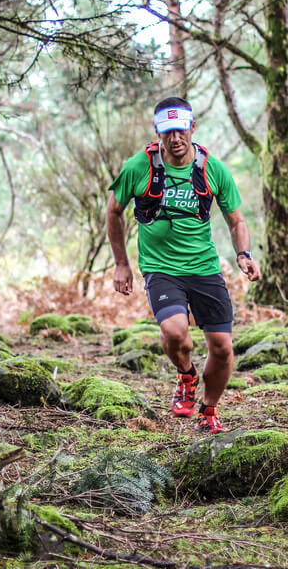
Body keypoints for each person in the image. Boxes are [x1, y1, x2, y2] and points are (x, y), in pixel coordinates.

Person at [106, 97, 261, 434]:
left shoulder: (212, 169)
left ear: (192, 127)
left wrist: (244, 254)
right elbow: (113, 211)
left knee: (222, 347)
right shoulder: (138, 167)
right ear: (157, 132)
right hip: (161, 268)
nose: (175, 138)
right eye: (167, 132)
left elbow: (236, 220)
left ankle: (209, 409)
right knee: (177, 333)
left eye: (180, 130)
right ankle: (186, 374)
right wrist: (121, 264)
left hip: (203, 267)